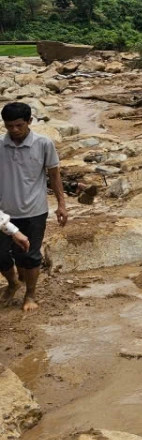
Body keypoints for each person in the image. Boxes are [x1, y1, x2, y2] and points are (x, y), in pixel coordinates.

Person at [0, 102, 67, 312]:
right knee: (1, 255)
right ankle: (13, 282)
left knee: (29, 255)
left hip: (34, 211)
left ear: (29, 121)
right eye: (9, 126)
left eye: (19, 125)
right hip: (3, 212)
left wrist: (61, 205)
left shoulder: (43, 144)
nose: (14, 130)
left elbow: (54, 175)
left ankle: (30, 294)